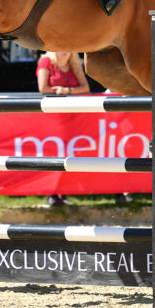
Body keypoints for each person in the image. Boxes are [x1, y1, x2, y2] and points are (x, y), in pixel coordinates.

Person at [36, 51, 90, 206]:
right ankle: (51, 193)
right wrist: (58, 91)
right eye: (61, 48)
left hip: (72, 118)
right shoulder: (46, 61)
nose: (65, 51)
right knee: (54, 153)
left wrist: (68, 91)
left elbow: (85, 87)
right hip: (53, 118)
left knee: (69, 155)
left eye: (68, 47)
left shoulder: (74, 61)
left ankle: (63, 192)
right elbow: (43, 88)